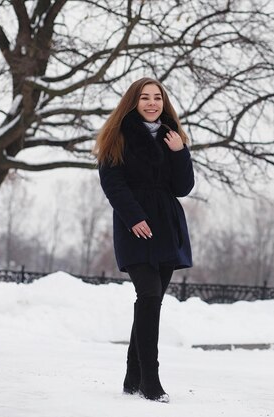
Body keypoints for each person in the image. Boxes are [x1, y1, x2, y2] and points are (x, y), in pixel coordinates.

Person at [93, 78, 194, 403]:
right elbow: (113, 182)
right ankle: (151, 381)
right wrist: (134, 217)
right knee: (148, 295)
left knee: (151, 302)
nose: (152, 103)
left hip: (167, 227)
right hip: (134, 226)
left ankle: (132, 376)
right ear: (133, 102)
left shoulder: (172, 136)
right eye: (145, 98)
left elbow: (182, 187)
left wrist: (180, 153)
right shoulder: (118, 136)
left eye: (157, 98)